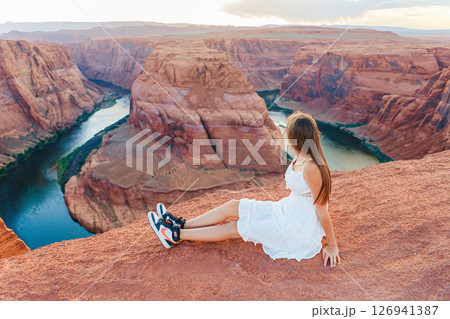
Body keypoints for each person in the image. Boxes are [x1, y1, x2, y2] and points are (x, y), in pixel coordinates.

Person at [148, 111, 341, 267]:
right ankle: (182, 224)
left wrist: (332, 245)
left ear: (295, 139)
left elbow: (322, 210)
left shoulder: (312, 167)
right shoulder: (301, 157)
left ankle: (174, 235)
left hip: (296, 227)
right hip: (285, 210)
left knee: (236, 227)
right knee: (234, 206)